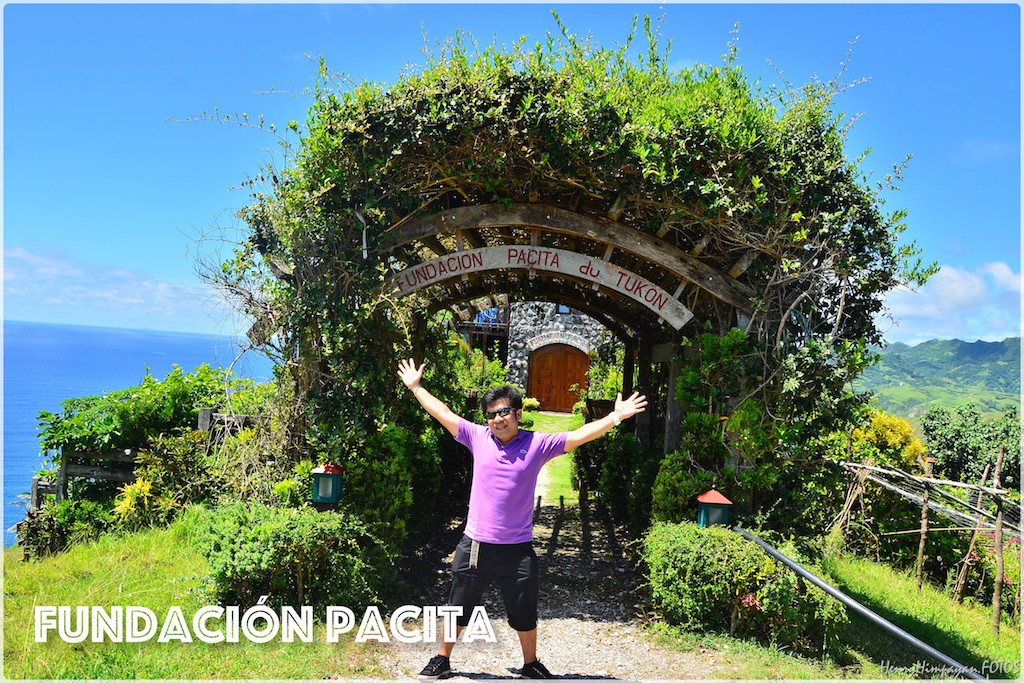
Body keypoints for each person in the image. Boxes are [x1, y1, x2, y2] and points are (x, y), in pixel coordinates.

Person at [397, 358, 648, 680]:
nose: (497, 419)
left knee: (524, 610)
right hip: (476, 545)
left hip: (517, 548)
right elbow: (443, 412)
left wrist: (615, 417)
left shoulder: (537, 444)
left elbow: (580, 435)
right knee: (458, 605)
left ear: (517, 413)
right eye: (491, 414)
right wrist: (416, 387)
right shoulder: (476, 437)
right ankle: (441, 659)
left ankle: (530, 663)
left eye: (503, 412)